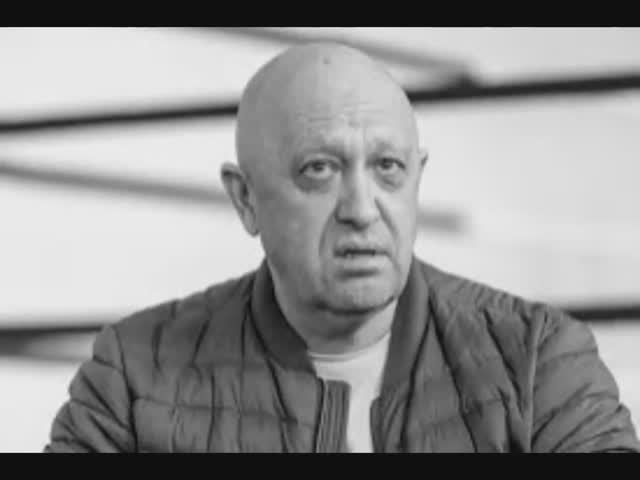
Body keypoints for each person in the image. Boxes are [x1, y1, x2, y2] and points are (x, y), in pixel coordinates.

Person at [45, 42, 640, 453]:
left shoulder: (538, 361)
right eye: (320, 169)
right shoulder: (133, 376)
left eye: (388, 168)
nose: (361, 208)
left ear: (417, 178)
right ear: (245, 199)